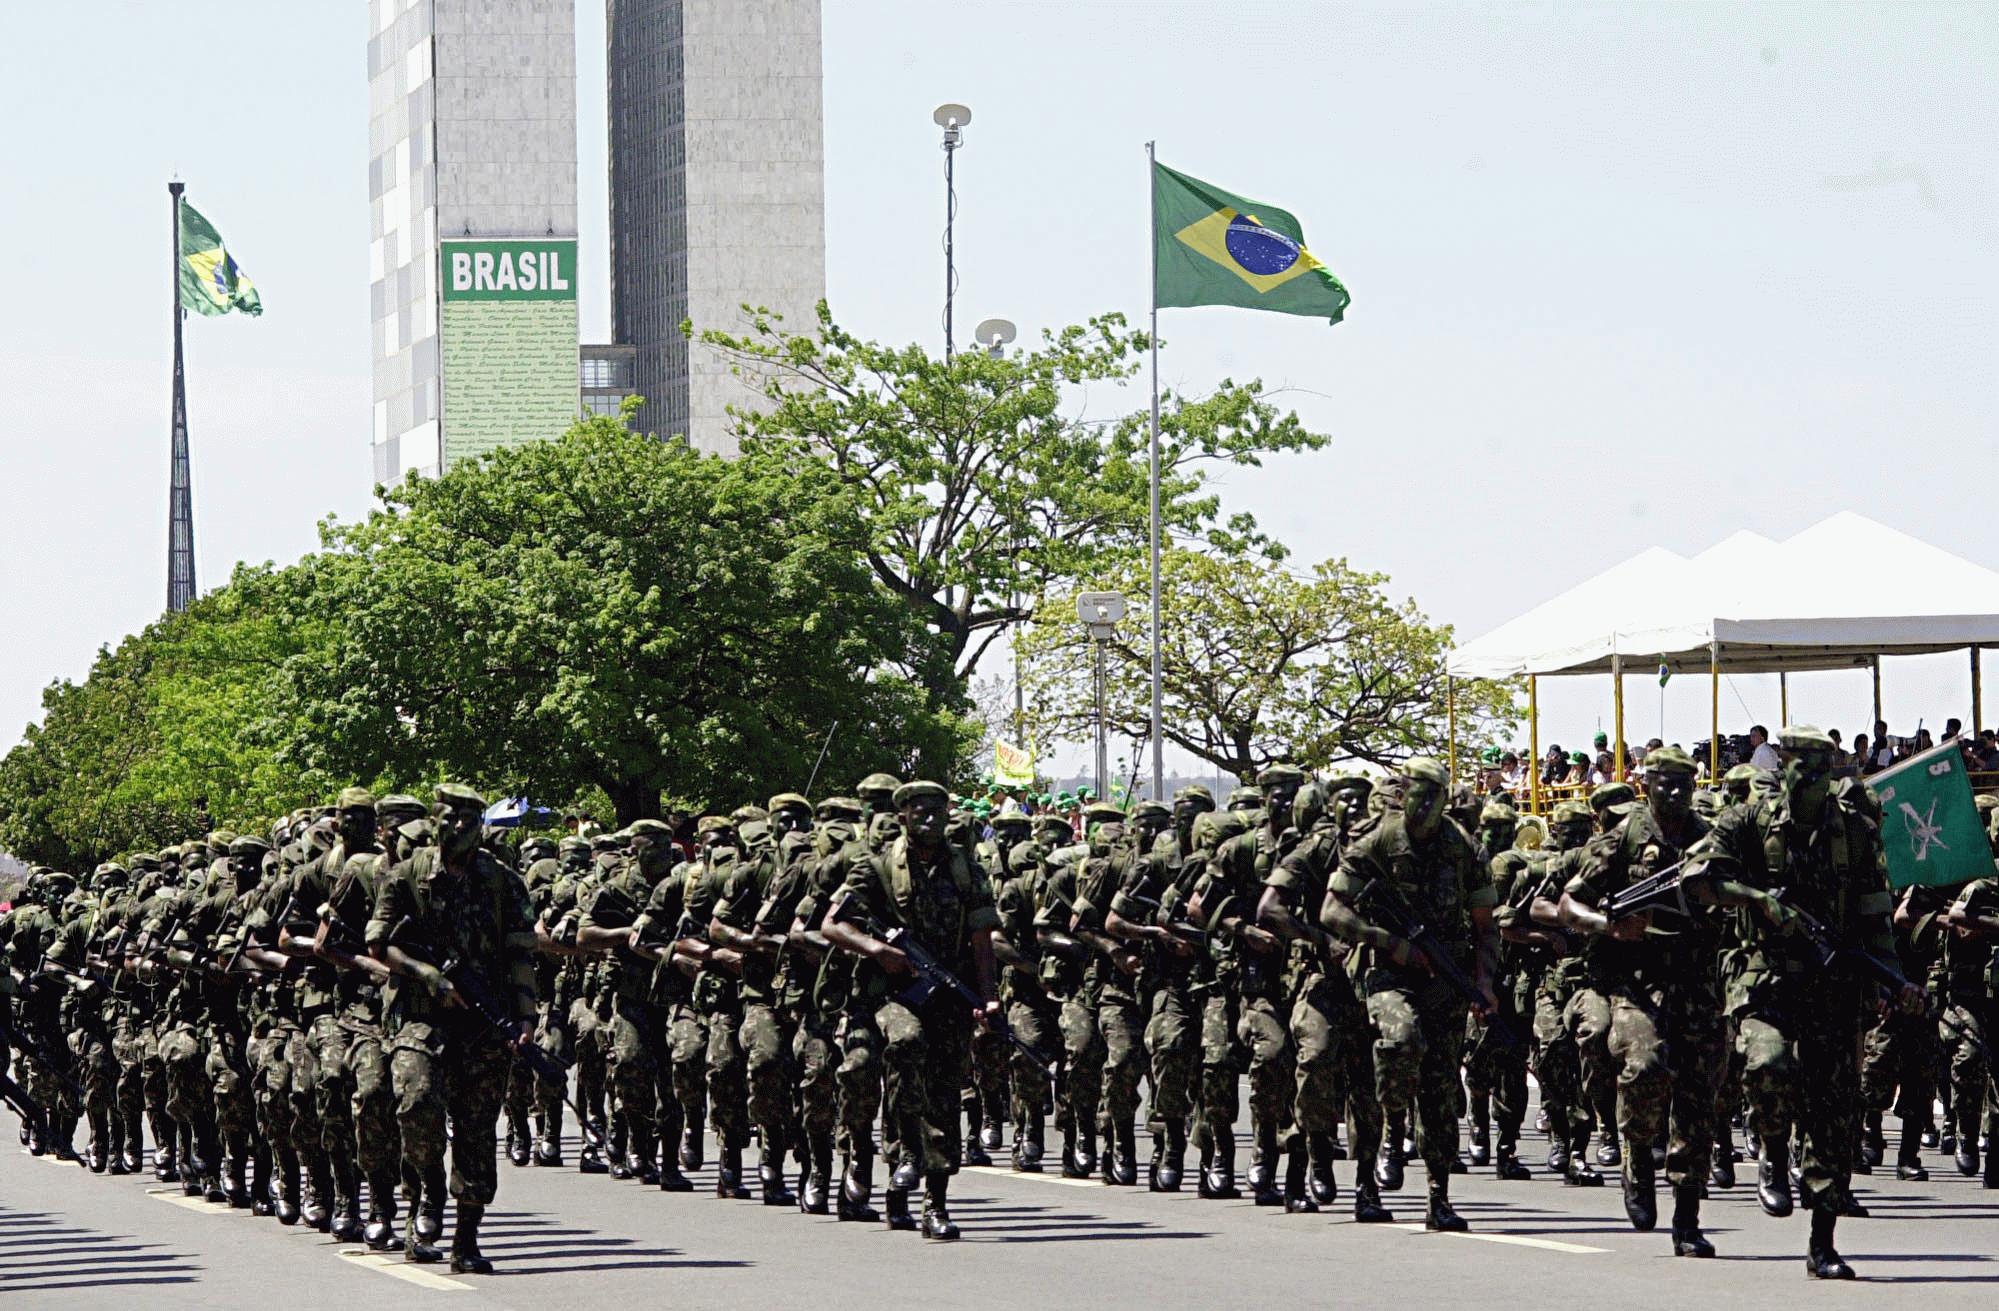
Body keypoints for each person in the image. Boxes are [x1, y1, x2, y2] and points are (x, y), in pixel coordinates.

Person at [1709, 727, 1920, 1280]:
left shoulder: (1852, 830)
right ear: (1783, 767)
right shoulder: (1747, 822)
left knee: (1834, 1114)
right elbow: (1706, 878)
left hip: (1832, 984)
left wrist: (1892, 981)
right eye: (1799, 766)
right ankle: (1773, 1147)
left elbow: (1875, 912)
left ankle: (1821, 1243)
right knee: (1767, 1064)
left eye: (1819, 768)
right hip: (1765, 978)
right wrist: (1759, 901)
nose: (1808, 778)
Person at [367, 784, 539, 1273]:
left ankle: (466, 1240)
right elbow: (380, 944)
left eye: (469, 819)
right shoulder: (406, 877)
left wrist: (525, 1019)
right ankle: (426, 1189)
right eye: (450, 817)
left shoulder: (502, 882)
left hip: (483, 1025)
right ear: (435, 820)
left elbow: (519, 954)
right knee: (417, 1106)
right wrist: (428, 976)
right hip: (420, 1017)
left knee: (477, 1130)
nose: (458, 826)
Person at [1321, 756, 1498, 1232]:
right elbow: (1333, 913)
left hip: (1444, 977)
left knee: (1440, 1086)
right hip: (1385, 974)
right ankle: (1378, 1154)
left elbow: (1485, 927)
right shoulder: (1377, 840)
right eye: (1414, 795)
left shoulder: (1463, 849)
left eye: (1431, 796)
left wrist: (1483, 984)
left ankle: (1438, 1197)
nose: (1421, 806)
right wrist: (1390, 943)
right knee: (1400, 1042)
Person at [823, 780, 1003, 1241]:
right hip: (890, 994)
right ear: (901, 816)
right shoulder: (876, 866)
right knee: (905, 1044)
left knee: (944, 1094)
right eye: (919, 810)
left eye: (938, 810)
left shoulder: (965, 867)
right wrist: (878, 950)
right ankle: (902, 1151)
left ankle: (934, 1203)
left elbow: (982, 938)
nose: (930, 818)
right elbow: (832, 923)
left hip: (946, 995)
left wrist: (988, 996)